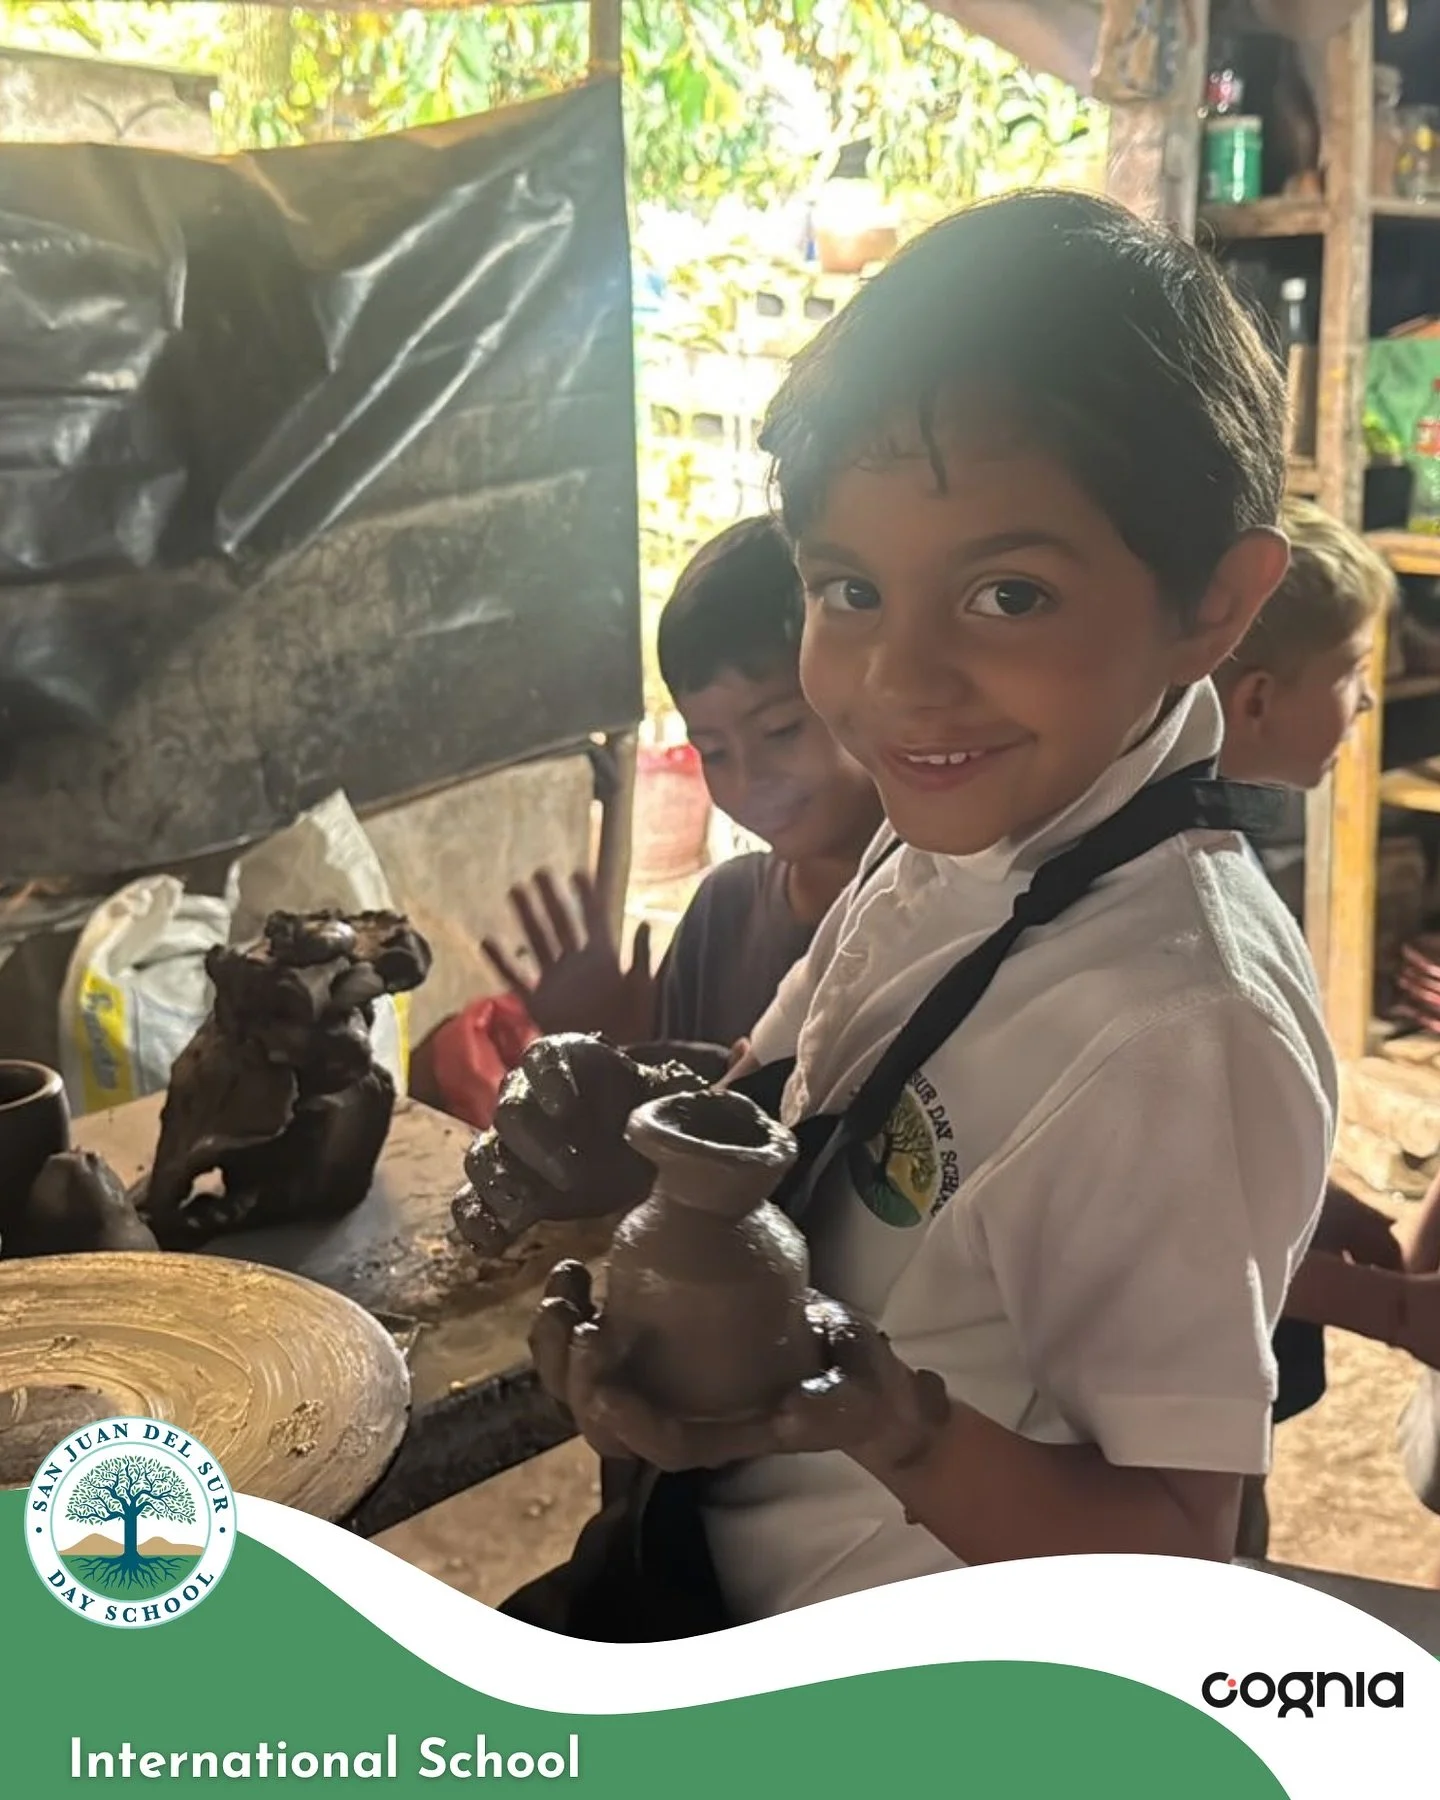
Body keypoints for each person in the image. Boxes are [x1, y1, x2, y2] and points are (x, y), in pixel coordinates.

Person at [477, 188, 1338, 1637]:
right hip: (711, 1564)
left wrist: (892, 1425)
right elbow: (800, 1096)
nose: (899, 682)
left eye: (1009, 593)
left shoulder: (1180, 1027)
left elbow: (1178, 1555)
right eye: (851, 589)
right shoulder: (954, 836)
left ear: (1216, 605)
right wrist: (640, 1116)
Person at [480, 516, 882, 1058]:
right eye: (713, 751)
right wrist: (614, 1042)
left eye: (781, 730)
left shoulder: (935, 923)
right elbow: (663, 1118)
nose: (748, 779)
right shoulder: (723, 912)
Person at [1213, 497, 1416, 1556]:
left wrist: (1316, 1197)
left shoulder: (1221, 861)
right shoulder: (1194, 925)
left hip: (1220, 1386)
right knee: (1212, 1552)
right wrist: (1385, 1311)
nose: (1370, 698)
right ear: (1254, 700)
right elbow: (1186, 1232)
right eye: (1349, 671)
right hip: (1173, 1403)